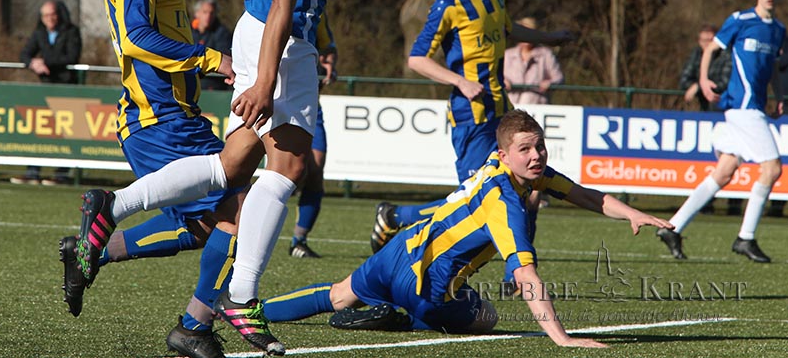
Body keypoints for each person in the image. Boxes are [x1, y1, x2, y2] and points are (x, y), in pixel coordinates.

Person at [71, 0, 441, 356]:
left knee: (233, 166)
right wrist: (264, 80)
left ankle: (133, 234)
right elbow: (283, 5)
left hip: (262, 31)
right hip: (280, 39)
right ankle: (240, 296)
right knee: (286, 167)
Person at [261, 109, 673, 346]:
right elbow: (525, 275)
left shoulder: (503, 167)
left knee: (337, 295)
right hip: (426, 287)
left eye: (540, 146)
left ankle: (249, 310)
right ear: (504, 154)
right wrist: (561, 337)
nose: (536, 156)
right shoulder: (506, 204)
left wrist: (632, 213)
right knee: (486, 315)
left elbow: (584, 195)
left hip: (397, 251)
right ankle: (400, 319)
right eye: (526, 149)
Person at [60, 0, 247, 358]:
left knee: (205, 225)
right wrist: (212, 58)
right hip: (160, 120)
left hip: (169, 119)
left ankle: (91, 251)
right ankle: (194, 326)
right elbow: (135, 39)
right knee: (240, 209)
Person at [371, 0, 572, 252]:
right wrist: (460, 81)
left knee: (529, 187)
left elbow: (509, 29)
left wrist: (548, 38)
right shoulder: (447, 3)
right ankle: (395, 216)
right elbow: (417, 59)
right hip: (471, 115)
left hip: (502, 109)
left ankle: (517, 272)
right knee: (476, 200)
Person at [657, 0, 786, 263]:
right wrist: (703, 80)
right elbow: (710, 50)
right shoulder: (740, 20)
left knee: (725, 171)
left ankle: (673, 227)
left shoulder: (778, 30)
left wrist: (779, 97)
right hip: (741, 108)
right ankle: (746, 237)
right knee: (772, 169)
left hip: (754, 108)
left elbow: (773, 69)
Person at [11, 0, 82, 186]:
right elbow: (25, 54)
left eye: (52, 14)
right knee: (39, 130)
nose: (49, 19)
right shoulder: (39, 33)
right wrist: (32, 63)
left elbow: (71, 57)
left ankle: (61, 174)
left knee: (65, 132)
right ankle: (33, 172)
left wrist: (45, 62)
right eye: (45, 16)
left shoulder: (71, 32)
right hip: (46, 88)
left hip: (66, 88)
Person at [290, 12, 338, 258]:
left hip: (310, 100)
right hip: (279, 96)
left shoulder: (317, 8)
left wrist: (329, 62)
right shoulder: (271, 1)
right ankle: (237, 230)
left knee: (315, 171)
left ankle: (298, 241)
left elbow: (328, 47)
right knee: (291, 172)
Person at [678, 22, 739, 215]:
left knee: (730, 163)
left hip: (725, 115)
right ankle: (704, 204)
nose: (706, 44)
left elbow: (723, 83)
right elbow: (684, 78)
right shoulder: (697, 54)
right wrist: (699, 83)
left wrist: (700, 85)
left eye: (710, 40)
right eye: (703, 40)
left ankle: (734, 204)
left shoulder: (726, 55)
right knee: (712, 166)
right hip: (706, 116)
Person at [504, 16, 565, 105]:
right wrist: (503, 81)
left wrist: (549, 83)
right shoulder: (507, 54)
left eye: (529, 33)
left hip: (537, 106)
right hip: (511, 105)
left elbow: (559, 78)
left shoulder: (545, 54)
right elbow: (495, 76)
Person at [191, 0, 233, 91]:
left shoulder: (222, 33)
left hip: (213, 85)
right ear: (197, 13)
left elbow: (224, 57)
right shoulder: (188, 32)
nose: (208, 16)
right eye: (205, 12)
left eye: (212, 13)